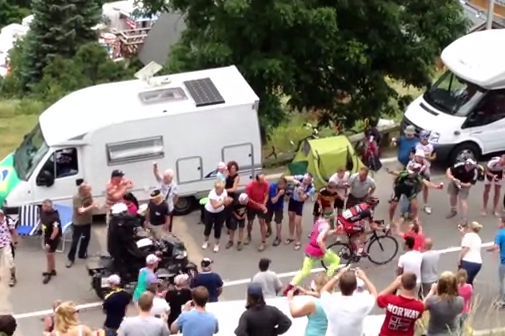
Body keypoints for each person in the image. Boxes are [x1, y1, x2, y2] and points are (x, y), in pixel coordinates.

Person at [284, 217, 340, 294]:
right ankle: (327, 280)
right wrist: (325, 252)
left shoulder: (318, 222)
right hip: (319, 250)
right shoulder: (326, 225)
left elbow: (323, 233)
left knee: (304, 271)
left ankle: (290, 285)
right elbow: (319, 240)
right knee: (336, 260)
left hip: (310, 249)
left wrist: (334, 231)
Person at [318, 267, 377, 336]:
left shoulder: (331, 301)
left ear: (339, 286)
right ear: (355, 287)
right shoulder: (361, 303)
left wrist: (338, 275)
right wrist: (364, 277)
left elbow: (323, 291)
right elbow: (374, 294)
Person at [423, 272, 464, 336]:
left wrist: (432, 291)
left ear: (439, 285)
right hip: (451, 334)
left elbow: (421, 307)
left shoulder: (432, 300)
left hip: (433, 334)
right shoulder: (460, 300)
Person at [67, 182, 96, 268]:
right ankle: (71, 258)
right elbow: (80, 211)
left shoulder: (88, 195)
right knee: (75, 241)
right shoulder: (77, 198)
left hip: (87, 220)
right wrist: (92, 206)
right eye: (88, 190)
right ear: (83, 190)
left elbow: (91, 202)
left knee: (86, 238)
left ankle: (82, 254)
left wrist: (95, 204)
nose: (89, 192)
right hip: (78, 222)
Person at [285, 174, 315, 250]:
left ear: (310, 181)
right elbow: (285, 177)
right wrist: (295, 181)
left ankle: (298, 241)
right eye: (304, 179)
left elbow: (302, 199)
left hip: (299, 203)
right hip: (292, 200)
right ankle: (291, 236)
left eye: (306, 180)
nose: (304, 181)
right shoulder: (300, 178)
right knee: (291, 218)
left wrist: (300, 192)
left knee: (297, 222)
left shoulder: (311, 188)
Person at [202, 181, 232, 252]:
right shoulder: (212, 194)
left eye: (223, 189)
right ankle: (206, 241)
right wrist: (223, 201)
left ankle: (217, 244)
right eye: (221, 189)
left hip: (220, 212)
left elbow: (225, 204)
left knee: (218, 227)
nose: (222, 191)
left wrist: (228, 201)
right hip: (209, 211)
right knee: (208, 226)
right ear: (216, 188)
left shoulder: (224, 192)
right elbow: (214, 206)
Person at [245, 173, 270, 251]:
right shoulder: (249, 186)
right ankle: (249, 235)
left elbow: (266, 194)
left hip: (261, 205)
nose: (263, 181)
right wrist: (259, 205)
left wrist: (264, 204)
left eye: (263, 179)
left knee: (262, 222)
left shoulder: (265, 184)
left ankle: (263, 242)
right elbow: (248, 199)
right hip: (251, 206)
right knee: (250, 222)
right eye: (261, 180)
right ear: (257, 180)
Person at [40, 199, 62, 284]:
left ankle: (49, 273)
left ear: (49, 207)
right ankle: (52, 270)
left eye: (44, 206)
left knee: (49, 255)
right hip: (47, 235)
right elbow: (42, 222)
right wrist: (42, 230)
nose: (42, 207)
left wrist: (49, 242)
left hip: (53, 238)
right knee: (50, 255)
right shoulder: (43, 212)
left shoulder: (54, 217)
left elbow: (55, 231)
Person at [152, 164, 179, 232]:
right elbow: (156, 173)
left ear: (171, 178)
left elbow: (176, 196)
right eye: (164, 176)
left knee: (168, 223)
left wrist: (173, 204)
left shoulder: (174, 186)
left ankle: (168, 234)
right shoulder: (161, 180)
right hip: (159, 206)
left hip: (168, 207)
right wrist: (155, 167)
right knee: (160, 222)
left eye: (166, 177)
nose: (164, 178)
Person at [415, 131, 436, 214]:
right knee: (415, 186)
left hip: (426, 169)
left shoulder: (431, 146)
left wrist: (428, 157)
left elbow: (434, 156)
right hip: (417, 168)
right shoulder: (416, 145)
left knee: (426, 187)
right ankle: (413, 203)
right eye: (423, 137)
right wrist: (419, 157)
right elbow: (412, 155)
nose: (424, 139)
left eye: (426, 137)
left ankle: (426, 204)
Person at [486, 216, 505, 307]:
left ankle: (501, 300)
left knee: (501, 281)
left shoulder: (501, 234)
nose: (498, 223)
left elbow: (495, 246)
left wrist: (487, 249)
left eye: (499, 221)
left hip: (504, 262)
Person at [457, 221, 483, 285]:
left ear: (470, 228)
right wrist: (463, 234)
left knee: (462, 282)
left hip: (468, 262)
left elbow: (466, 248)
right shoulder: (478, 238)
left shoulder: (468, 236)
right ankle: (469, 293)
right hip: (478, 264)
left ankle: (463, 294)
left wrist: (459, 259)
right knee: (469, 281)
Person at [265, 177, 287, 246]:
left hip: (279, 206)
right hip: (270, 205)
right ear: (279, 184)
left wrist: (286, 195)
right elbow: (273, 201)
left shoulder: (286, 187)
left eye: (285, 185)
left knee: (278, 221)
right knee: (267, 219)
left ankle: (278, 237)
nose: (283, 187)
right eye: (282, 185)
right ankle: (269, 229)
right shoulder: (272, 187)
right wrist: (279, 194)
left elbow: (287, 198)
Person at [0, 209, 17, 287]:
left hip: (6, 243)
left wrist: (15, 241)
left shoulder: (8, 221)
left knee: (9, 261)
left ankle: (13, 277)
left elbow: (13, 231)